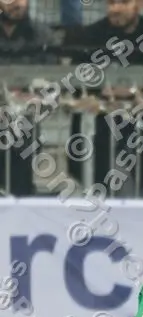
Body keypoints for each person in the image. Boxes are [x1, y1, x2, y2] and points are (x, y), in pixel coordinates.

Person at [66, 0, 143, 196]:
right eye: (110, 3)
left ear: (140, 4)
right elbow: (77, 84)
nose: (115, 9)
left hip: (141, 127)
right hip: (100, 126)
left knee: (139, 190)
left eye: (123, 2)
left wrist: (130, 93)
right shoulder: (90, 35)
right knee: (98, 188)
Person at [0, 0, 54, 196]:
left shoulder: (42, 35)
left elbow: (51, 81)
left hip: (24, 117)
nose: (17, 3)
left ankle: (18, 198)